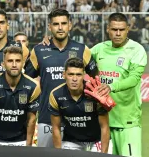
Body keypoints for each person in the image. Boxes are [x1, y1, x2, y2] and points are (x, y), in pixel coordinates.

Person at [25, 8, 100, 148]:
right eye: (56, 24)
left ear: (70, 25)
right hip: (47, 119)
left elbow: (97, 78)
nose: (60, 28)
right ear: (49, 27)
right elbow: (26, 81)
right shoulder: (39, 51)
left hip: (76, 120)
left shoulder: (82, 50)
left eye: (64, 23)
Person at [90, 12, 147, 157]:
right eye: (114, 29)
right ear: (108, 29)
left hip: (127, 121)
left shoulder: (137, 50)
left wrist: (111, 86)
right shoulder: (99, 49)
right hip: (102, 122)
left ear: (128, 29)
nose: (117, 33)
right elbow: (77, 60)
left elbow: (134, 78)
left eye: (121, 30)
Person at [0, 46, 40, 146]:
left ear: (23, 63)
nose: (14, 64)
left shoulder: (33, 86)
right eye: (10, 61)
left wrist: (28, 144)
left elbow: (31, 119)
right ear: (3, 64)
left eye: (18, 61)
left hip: (20, 141)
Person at [49, 58, 111, 153]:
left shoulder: (95, 93)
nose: (74, 79)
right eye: (70, 74)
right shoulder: (56, 95)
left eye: (78, 75)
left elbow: (104, 126)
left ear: (84, 76)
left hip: (97, 140)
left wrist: (104, 156)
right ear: (64, 75)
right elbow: (56, 127)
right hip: (72, 141)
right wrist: (59, 155)